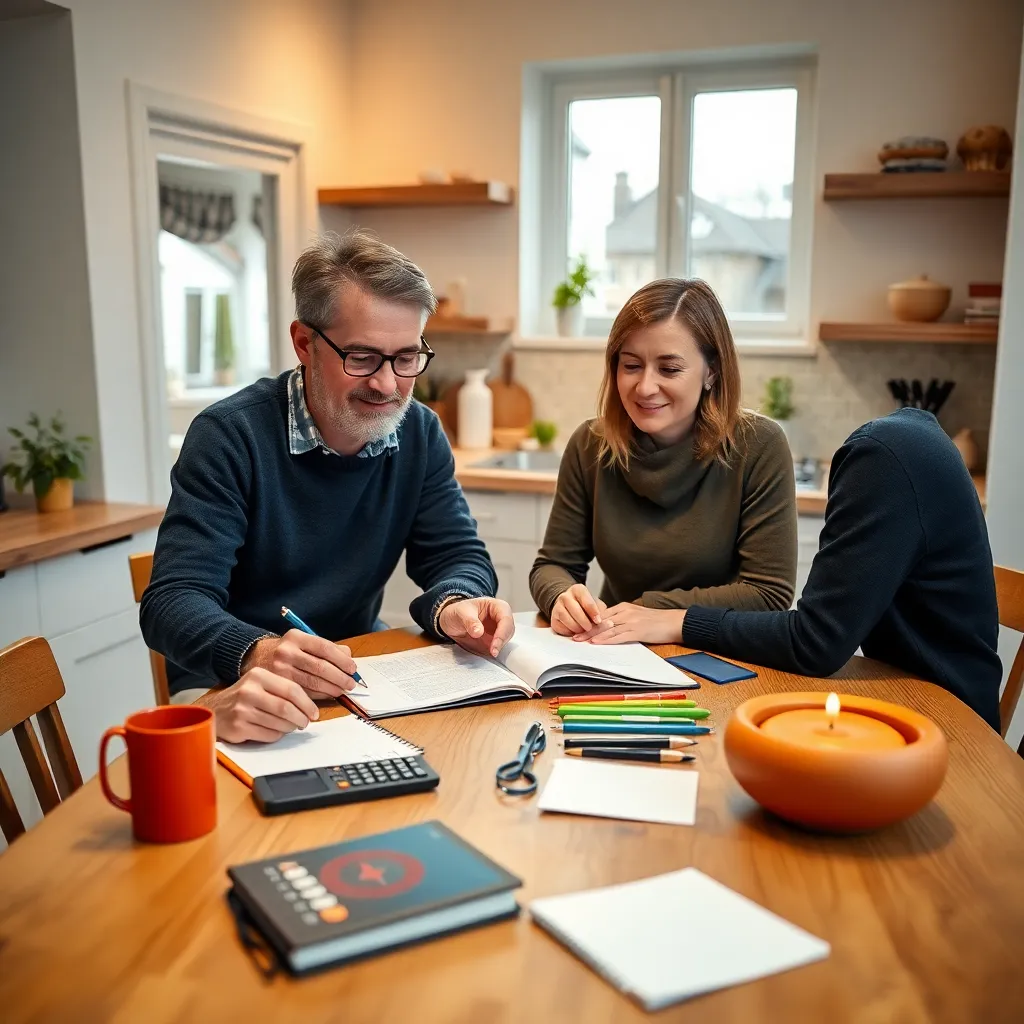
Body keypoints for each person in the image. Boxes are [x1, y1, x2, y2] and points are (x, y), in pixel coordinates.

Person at [141, 231, 514, 743]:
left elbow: (457, 555)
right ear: (304, 343)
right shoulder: (230, 436)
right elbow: (171, 601)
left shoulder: (419, 431)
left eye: (406, 358)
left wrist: (454, 604)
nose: (386, 384)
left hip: (356, 667)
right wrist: (259, 651)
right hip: (234, 683)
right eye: (361, 357)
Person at [671, 408, 1000, 730]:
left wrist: (682, 621)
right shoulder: (904, 443)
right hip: (916, 698)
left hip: (949, 725)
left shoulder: (880, 457)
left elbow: (815, 642)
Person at [530, 277, 798, 643]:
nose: (644, 387)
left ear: (712, 371)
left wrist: (660, 615)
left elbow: (769, 595)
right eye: (631, 365)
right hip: (615, 647)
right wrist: (561, 595)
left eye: (669, 369)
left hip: (719, 650)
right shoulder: (590, 444)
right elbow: (553, 565)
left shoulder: (759, 445)